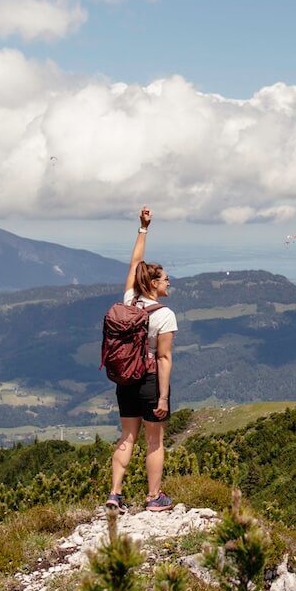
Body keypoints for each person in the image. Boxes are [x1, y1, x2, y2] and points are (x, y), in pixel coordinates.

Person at [106, 206, 178, 512]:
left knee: (127, 436)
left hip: (125, 379)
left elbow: (135, 263)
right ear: (153, 284)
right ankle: (153, 498)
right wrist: (162, 397)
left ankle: (115, 494)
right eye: (164, 280)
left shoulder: (128, 302)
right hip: (149, 380)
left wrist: (143, 228)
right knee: (154, 440)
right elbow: (163, 358)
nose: (168, 282)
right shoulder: (164, 315)